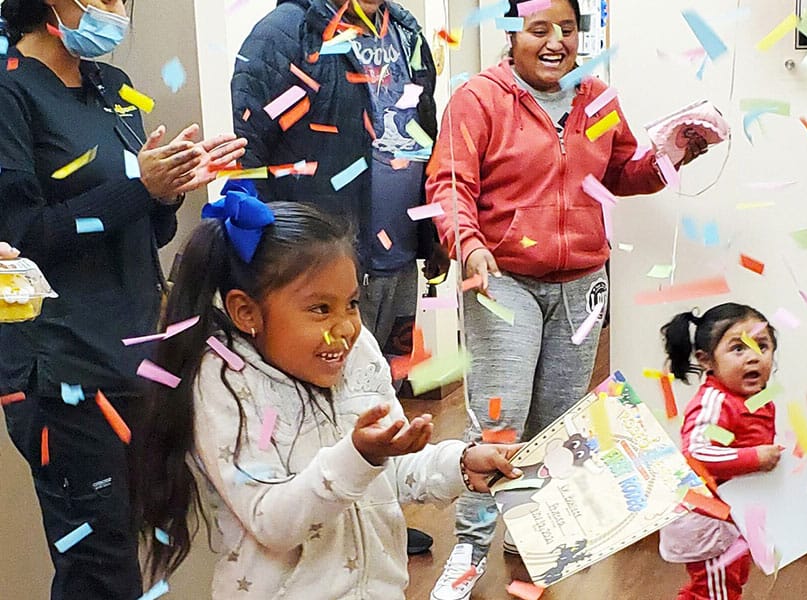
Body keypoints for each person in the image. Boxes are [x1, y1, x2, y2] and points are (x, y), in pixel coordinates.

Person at [424, 1, 708, 597]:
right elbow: (449, 186)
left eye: (568, 29)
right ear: (510, 34)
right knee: (501, 423)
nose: (556, 42)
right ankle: (472, 549)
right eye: (539, 29)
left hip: (582, 283)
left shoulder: (597, 98)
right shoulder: (478, 100)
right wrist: (469, 246)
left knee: (555, 427)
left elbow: (624, 174)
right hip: (501, 279)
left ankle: (528, 540)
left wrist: (672, 154)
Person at [130, 189, 523, 599]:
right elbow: (272, 521)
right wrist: (358, 457)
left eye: (351, 304)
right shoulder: (225, 384)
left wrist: (459, 463)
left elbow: (389, 468)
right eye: (320, 309)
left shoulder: (356, 352)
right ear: (247, 312)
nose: (346, 328)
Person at [0, 1, 246, 598]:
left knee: (128, 550)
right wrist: (139, 189)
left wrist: (167, 190)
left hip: (133, 357)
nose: (114, 11)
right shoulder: (10, 92)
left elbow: (145, 232)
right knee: (100, 568)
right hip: (60, 369)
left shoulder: (114, 86)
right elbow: (22, 237)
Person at [232, 0, 447, 553]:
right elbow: (247, 148)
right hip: (324, 261)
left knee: (381, 387)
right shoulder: (286, 30)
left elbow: (426, 128)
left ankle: (376, 515)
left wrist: (431, 233)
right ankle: (328, 527)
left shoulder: (405, 28)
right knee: (320, 390)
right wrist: (262, 252)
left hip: (397, 250)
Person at [657, 303, 783, 600]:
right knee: (713, 593)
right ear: (706, 360)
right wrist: (754, 458)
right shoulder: (716, 401)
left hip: (733, 516)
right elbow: (697, 453)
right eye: (738, 349)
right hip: (707, 521)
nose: (753, 357)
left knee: (727, 584)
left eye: (762, 346)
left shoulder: (755, 399)